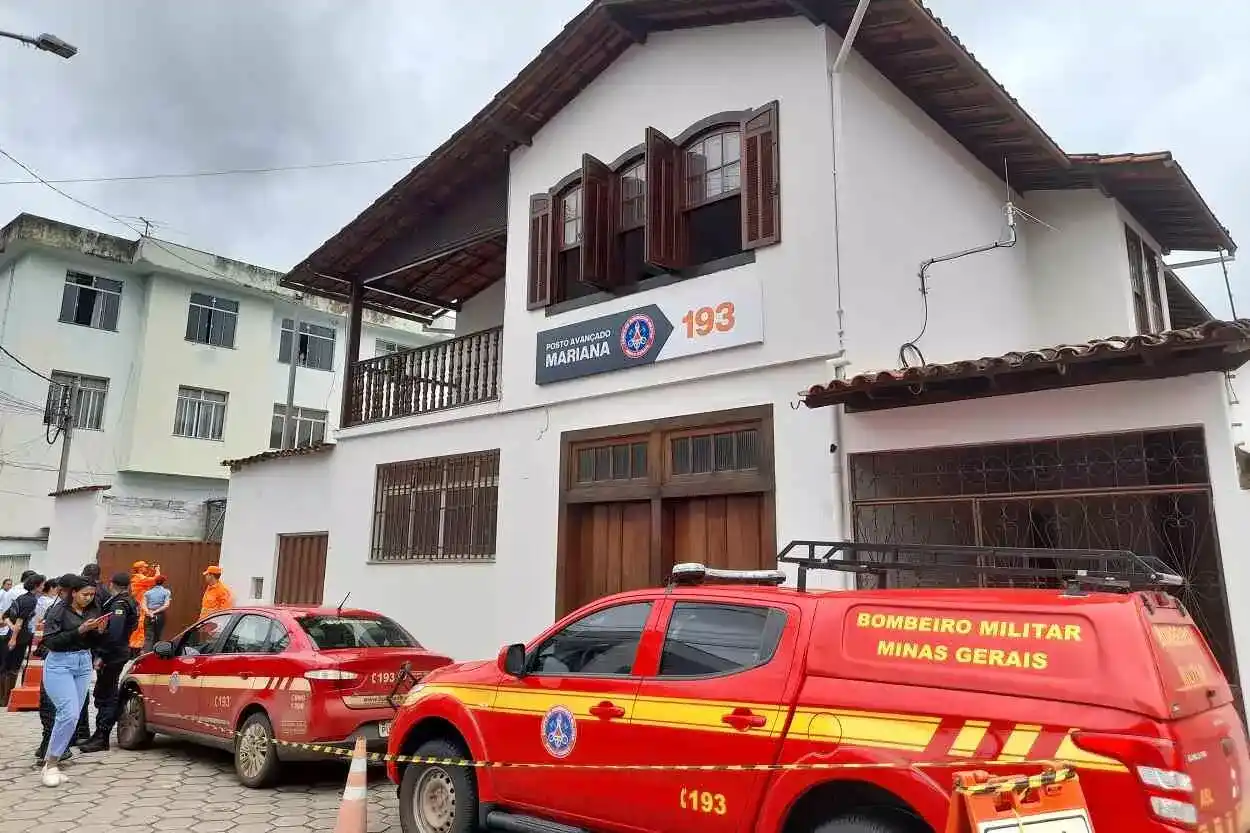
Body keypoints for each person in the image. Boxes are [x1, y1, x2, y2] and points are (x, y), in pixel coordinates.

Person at [40, 574, 107, 787]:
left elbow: (94, 640)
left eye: (92, 595)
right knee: (67, 713)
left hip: (83, 662)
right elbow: (50, 642)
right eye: (85, 594)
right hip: (60, 663)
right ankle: (50, 764)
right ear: (73, 592)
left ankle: (53, 762)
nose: (88, 598)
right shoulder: (58, 611)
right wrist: (79, 630)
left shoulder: (93, 609)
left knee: (74, 715)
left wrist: (99, 632)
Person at [80, 573, 138, 753]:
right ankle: (99, 735)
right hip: (117, 653)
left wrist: (102, 655)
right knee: (104, 692)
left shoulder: (120, 604)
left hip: (112, 655)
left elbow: (114, 633)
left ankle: (102, 736)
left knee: (107, 694)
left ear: (112, 584)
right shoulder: (128, 601)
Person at [0, 570, 38, 705]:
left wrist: (10, 627)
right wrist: (14, 632)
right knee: (14, 666)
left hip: (6, 631)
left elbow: (4, 614)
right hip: (18, 635)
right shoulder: (28, 598)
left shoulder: (13, 593)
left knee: (4, 666)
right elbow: (20, 620)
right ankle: (7, 699)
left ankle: (3, 699)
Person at [129, 561, 158, 658]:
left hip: (141, 607)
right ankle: (135, 652)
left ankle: (136, 650)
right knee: (139, 629)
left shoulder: (139, 578)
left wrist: (152, 571)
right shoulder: (139, 578)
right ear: (140, 568)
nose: (146, 568)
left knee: (139, 630)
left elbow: (147, 581)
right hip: (140, 607)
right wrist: (157, 570)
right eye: (145, 567)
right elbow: (156, 580)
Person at [142, 575, 171, 651]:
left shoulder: (147, 592)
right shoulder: (166, 592)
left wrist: (149, 612)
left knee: (148, 637)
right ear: (163, 582)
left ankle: (146, 655)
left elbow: (143, 605)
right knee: (157, 636)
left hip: (149, 615)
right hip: (160, 615)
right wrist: (156, 612)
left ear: (154, 582)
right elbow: (166, 605)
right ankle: (155, 654)